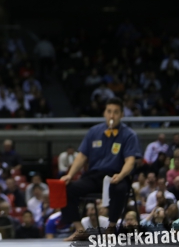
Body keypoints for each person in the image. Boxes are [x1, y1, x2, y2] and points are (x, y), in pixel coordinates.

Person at [60, 98, 142, 241]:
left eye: (116, 112)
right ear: (104, 113)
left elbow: (130, 161)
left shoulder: (129, 135)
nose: (112, 115)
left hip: (116, 177)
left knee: (120, 189)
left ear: (122, 115)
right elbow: (82, 156)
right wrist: (70, 175)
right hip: (94, 176)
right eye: (109, 111)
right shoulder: (94, 132)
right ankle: (80, 230)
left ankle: (110, 229)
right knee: (66, 188)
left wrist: (121, 175)